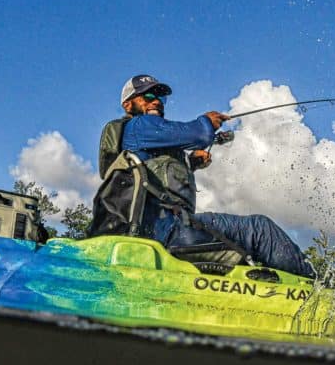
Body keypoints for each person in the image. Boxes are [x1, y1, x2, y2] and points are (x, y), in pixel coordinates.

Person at [90, 74, 315, 279]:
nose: (156, 101)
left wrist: (191, 163)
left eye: (160, 98)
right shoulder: (138, 126)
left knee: (247, 251)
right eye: (147, 96)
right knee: (260, 229)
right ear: (128, 104)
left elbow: (158, 175)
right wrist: (207, 122)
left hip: (164, 230)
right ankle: (314, 289)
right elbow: (199, 134)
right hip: (173, 231)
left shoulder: (137, 142)